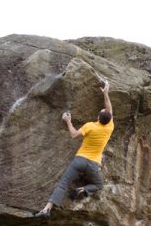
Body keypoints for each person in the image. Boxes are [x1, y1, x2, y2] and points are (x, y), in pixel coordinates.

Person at [34, 78, 114, 217]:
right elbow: (109, 108)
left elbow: (73, 134)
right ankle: (82, 189)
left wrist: (68, 121)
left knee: (63, 183)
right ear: (108, 120)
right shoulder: (109, 127)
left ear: (98, 117)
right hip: (93, 164)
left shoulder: (90, 126)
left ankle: (46, 209)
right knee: (99, 185)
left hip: (79, 160)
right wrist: (105, 93)